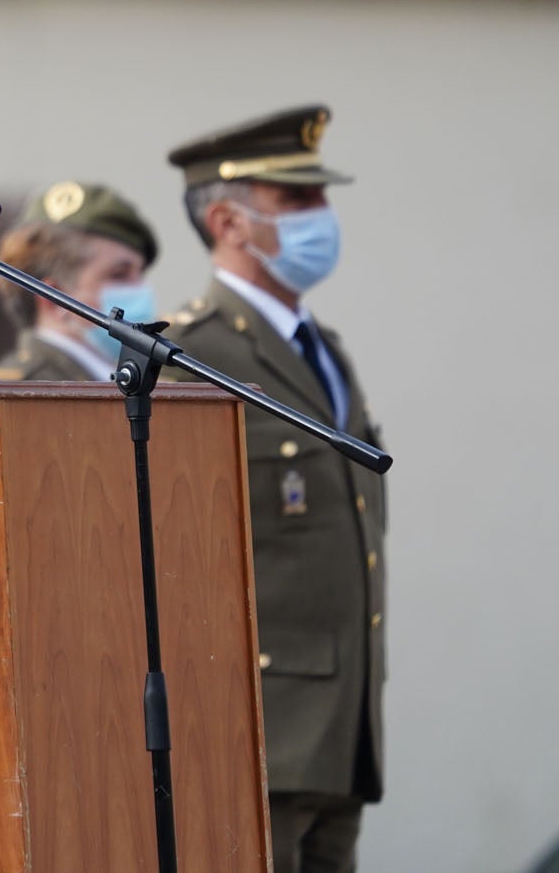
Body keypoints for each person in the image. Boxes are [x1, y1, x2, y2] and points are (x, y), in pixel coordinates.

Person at [160, 105, 386, 873]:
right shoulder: (192, 354)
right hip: (257, 726)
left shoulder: (324, 350)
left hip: (342, 722)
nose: (322, 218)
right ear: (228, 219)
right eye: (298, 202)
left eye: (320, 199)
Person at [0, 181, 158, 382]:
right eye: (119, 275)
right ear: (55, 298)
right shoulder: (26, 390)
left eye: (140, 273)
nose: (141, 289)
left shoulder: (119, 378)